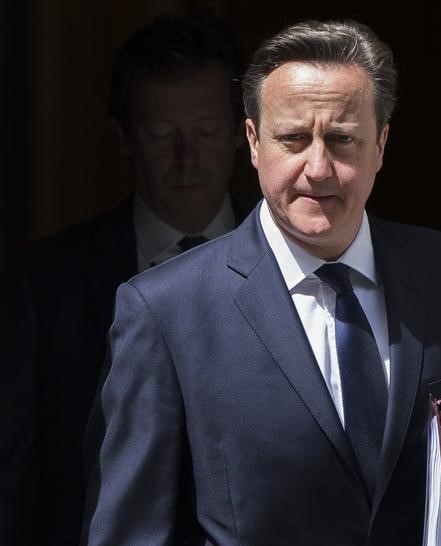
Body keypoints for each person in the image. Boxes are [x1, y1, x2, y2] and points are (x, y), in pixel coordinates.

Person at [81, 19, 441, 545]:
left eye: (341, 139)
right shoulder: (166, 311)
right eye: (293, 138)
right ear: (252, 142)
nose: (317, 168)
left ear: (380, 145)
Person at [0, 12, 246, 545]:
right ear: (124, 137)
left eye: (206, 131)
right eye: (162, 135)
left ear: (241, 133)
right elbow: (14, 472)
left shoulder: (301, 262)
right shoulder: (44, 284)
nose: (187, 159)